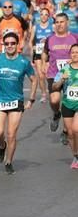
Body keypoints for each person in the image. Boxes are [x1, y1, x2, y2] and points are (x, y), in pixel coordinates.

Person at [0, 32, 38, 174]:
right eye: (7, 43)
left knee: (11, 134)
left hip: (16, 102)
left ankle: (9, 161)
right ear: (3, 45)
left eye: (12, 43)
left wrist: (31, 99)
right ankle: (2, 146)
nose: (9, 46)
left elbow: (34, 79)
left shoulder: (24, 62)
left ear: (17, 45)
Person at [42, 13, 78, 143]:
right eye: (57, 22)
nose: (59, 24)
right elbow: (45, 53)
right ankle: (56, 114)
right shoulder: (50, 39)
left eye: (62, 22)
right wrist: (44, 64)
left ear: (67, 22)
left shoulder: (74, 37)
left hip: (72, 74)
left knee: (69, 101)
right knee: (54, 99)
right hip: (55, 74)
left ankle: (65, 130)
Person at [52, 44, 78, 168]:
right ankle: (76, 156)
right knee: (70, 134)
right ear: (70, 55)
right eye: (73, 52)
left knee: (76, 129)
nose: (75, 54)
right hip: (67, 104)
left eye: (77, 52)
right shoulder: (65, 69)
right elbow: (54, 87)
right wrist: (62, 79)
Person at [29, 8, 53, 103]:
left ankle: (52, 92)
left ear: (48, 16)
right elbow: (30, 41)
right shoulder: (36, 27)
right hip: (38, 53)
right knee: (41, 75)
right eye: (42, 14)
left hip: (49, 54)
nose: (44, 16)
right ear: (39, 16)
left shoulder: (52, 27)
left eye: (46, 14)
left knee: (48, 75)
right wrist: (32, 49)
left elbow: (56, 38)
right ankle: (43, 94)